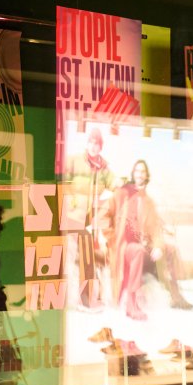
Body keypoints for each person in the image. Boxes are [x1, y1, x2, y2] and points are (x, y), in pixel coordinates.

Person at [102, 159, 192, 320]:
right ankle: (131, 304)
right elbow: (103, 215)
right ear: (133, 173)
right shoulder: (122, 193)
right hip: (125, 247)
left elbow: (155, 229)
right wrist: (112, 238)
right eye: (137, 170)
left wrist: (157, 246)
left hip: (143, 247)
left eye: (143, 171)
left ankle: (176, 296)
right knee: (137, 250)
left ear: (146, 176)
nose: (139, 174)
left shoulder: (149, 202)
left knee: (170, 249)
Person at [63, 127, 119, 309]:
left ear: (101, 146)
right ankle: (68, 300)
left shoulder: (104, 168)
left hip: (92, 222)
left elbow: (116, 185)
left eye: (97, 143)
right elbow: (62, 182)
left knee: (88, 261)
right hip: (73, 217)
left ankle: (86, 299)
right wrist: (70, 201)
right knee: (69, 258)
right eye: (92, 142)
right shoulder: (74, 161)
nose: (94, 146)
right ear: (87, 143)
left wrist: (106, 198)